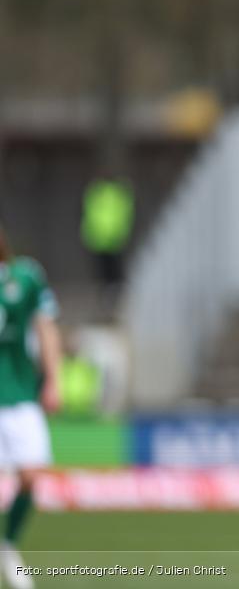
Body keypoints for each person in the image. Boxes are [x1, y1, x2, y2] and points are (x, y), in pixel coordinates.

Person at [0, 225, 62, 589]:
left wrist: (53, 379)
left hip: (21, 395)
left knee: (30, 475)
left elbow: (46, 328)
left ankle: (8, 545)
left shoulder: (26, 278)